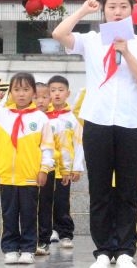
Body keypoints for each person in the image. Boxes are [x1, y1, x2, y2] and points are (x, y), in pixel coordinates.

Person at [52, 0, 137, 268]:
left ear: (131, 10)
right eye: (112, 6)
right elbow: (59, 35)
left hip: (130, 123)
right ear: (104, 10)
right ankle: (103, 251)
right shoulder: (91, 41)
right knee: (99, 190)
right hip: (97, 122)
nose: (117, 11)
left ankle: (125, 250)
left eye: (123, 6)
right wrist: (83, 10)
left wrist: (126, 52)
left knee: (127, 191)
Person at [0, 72, 54, 265]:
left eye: (26, 89)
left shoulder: (41, 118)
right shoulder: (1, 115)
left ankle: (28, 248)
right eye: (16, 90)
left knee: (28, 213)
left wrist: (44, 169)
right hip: (7, 175)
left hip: (29, 175)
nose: (21, 94)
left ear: (33, 92)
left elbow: (47, 147)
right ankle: (9, 248)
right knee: (9, 214)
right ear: (10, 92)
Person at [37, 75, 81, 253]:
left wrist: (76, 167)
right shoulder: (41, 117)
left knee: (62, 201)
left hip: (65, 169)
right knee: (45, 201)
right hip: (46, 168)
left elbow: (79, 144)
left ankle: (65, 233)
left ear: (67, 93)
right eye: (52, 91)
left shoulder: (72, 118)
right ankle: (47, 233)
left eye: (60, 90)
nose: (56, 94)